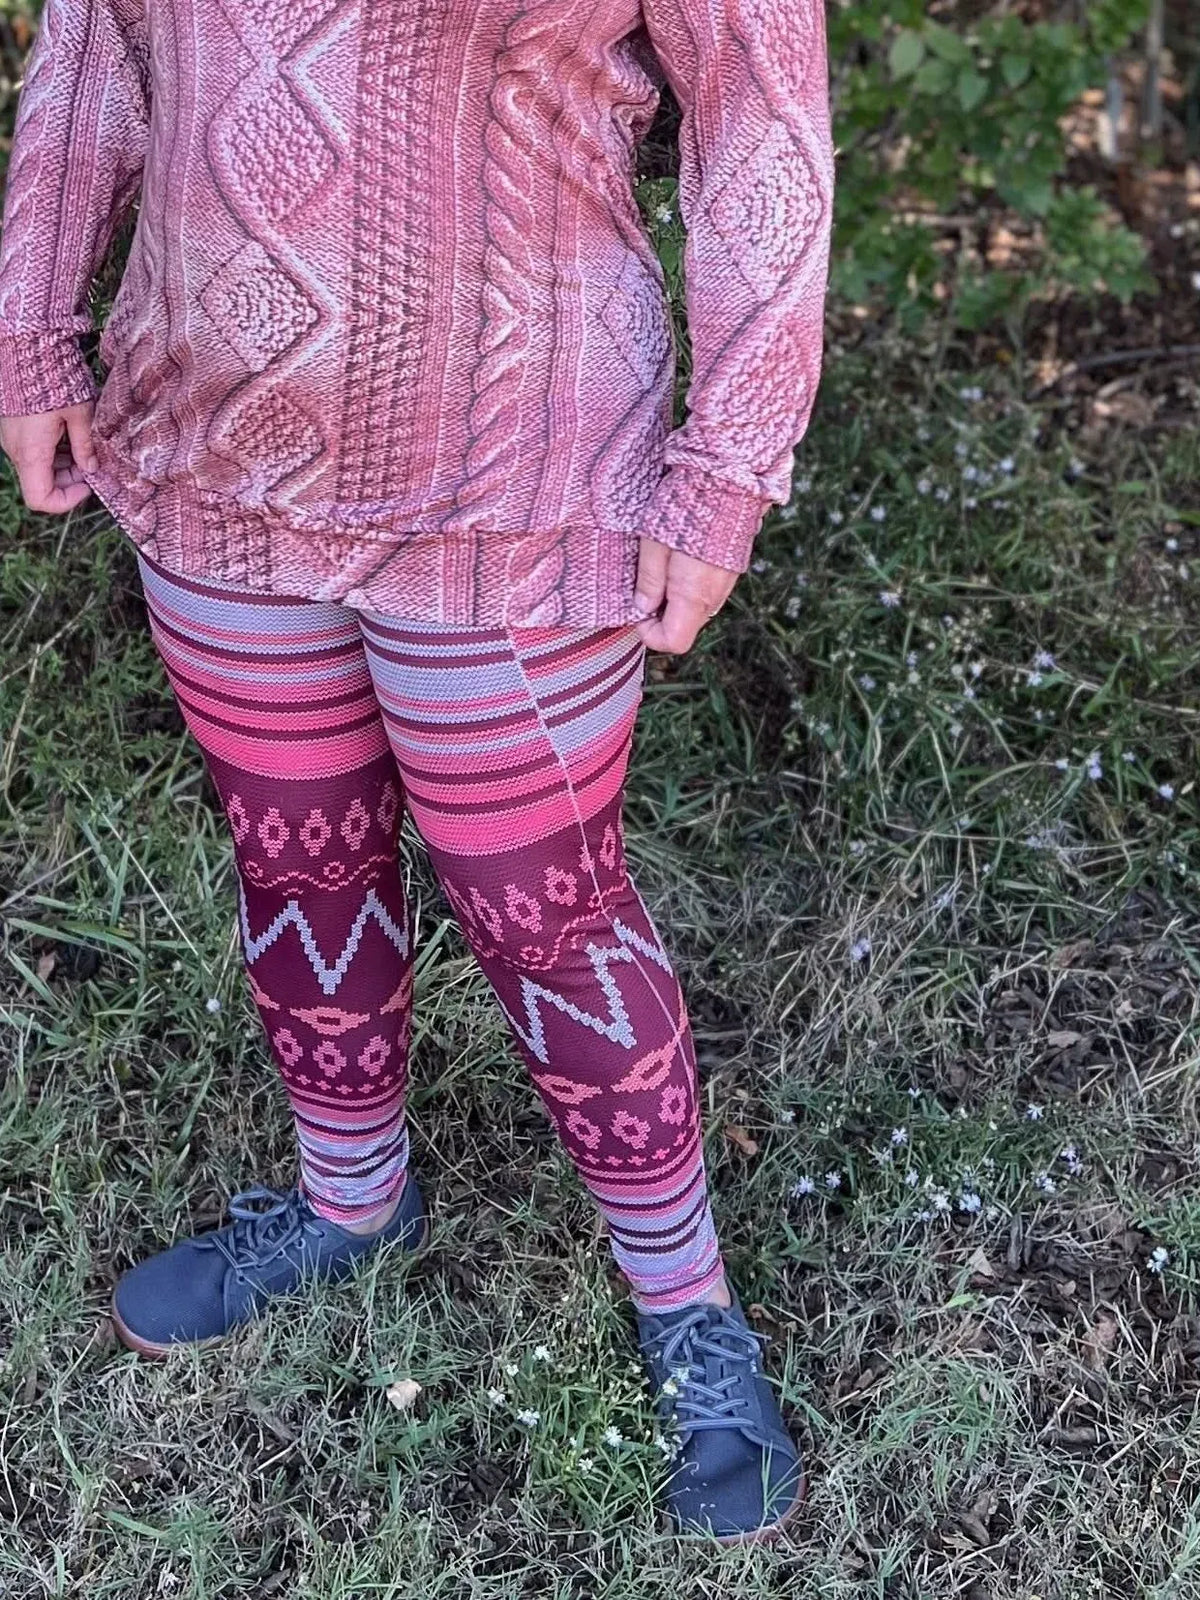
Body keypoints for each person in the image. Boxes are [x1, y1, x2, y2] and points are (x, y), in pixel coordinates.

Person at [0, 0, 834, 1543]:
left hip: (526, 472)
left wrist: (727, 471)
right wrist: (33, 324)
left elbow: (760, 135)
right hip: (206, 440)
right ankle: (347, 1198)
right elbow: (92, 57)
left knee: (547, 913)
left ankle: (691, 1312)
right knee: (294, 849)